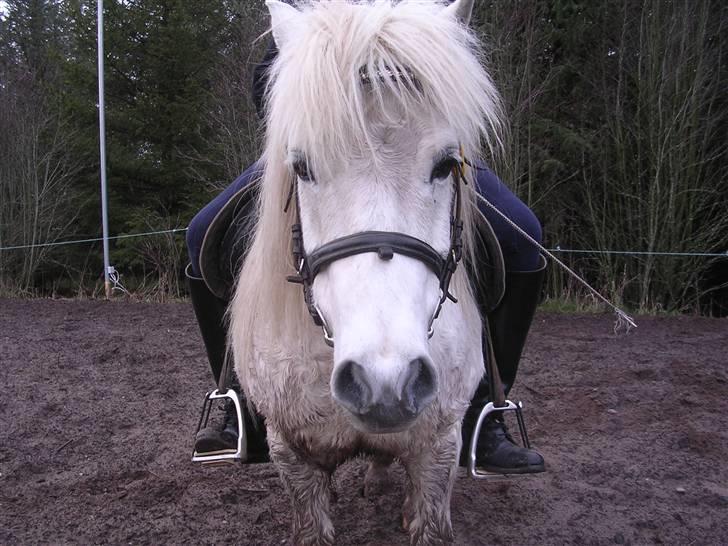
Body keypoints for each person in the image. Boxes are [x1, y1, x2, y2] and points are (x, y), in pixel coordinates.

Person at [187, 28, 546, 475]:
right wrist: (316, 86)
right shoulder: (309, 11)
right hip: (326, 140)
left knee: (522, 237)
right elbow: (266, 80)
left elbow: (458, 70)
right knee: (202, 234)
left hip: (413, 142)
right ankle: (238, 400)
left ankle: (486, 411)